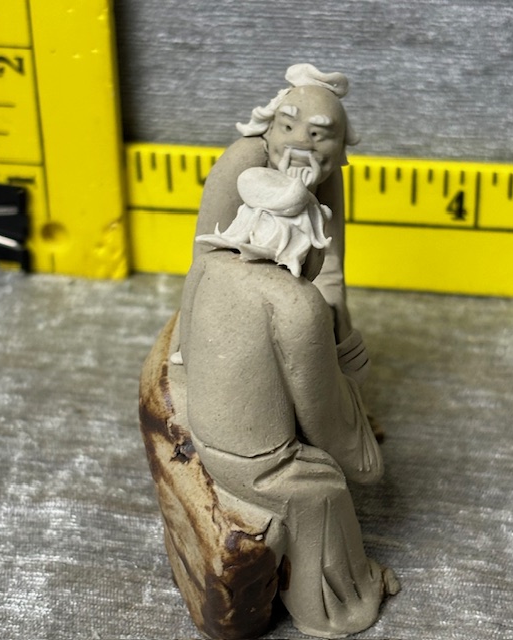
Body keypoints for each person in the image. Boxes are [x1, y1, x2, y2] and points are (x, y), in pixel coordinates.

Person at [179, 166, 398, 639]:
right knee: (324, 490)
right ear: (304, 239)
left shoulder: (207, 267)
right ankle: (334, 609)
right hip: (257, 463)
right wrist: (350, 381)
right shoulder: (297, 302)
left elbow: (188, 352)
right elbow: (322, 413)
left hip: (202, 432)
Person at [192, 64, 367, 373]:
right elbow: (205, 257)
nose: (301, 142)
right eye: (287, 127)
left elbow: (330, 263)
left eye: (319, 134)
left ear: (340, 146)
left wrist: (334, 318)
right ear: (269, 128)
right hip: (231, 294)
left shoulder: (325, 175)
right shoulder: (245, 161)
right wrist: (193, 336)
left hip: (296, 301)